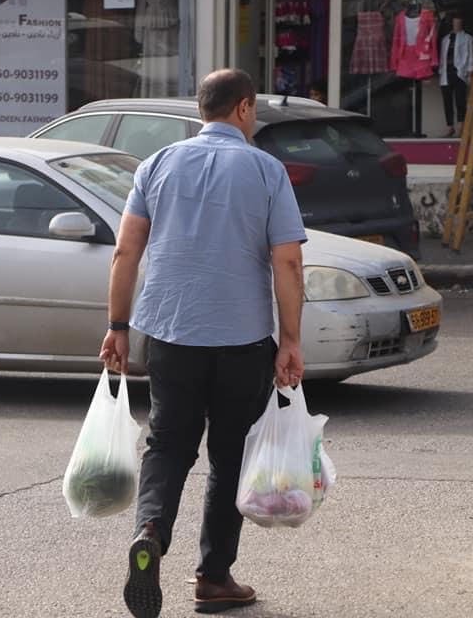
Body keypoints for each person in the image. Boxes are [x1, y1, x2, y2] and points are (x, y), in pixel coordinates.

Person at [99, 69, 307, 617]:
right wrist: (290, 340)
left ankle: (150, 531)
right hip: (241, 339)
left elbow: (125, 253)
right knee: (229, 455)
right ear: (243, 107)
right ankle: (214, 578)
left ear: (201, 110)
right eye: (253, 111)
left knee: (168, 445)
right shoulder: (266, 170)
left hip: (169, 331)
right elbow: (287, 260)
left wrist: (117, 327)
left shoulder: (157, 165)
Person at [439, 12, 473, 137]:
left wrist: (470, 71)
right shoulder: (445, 39)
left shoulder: (468, 38)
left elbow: (471, 55)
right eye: (455, 23)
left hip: (459, 72)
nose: (456, 25)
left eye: (458, 23)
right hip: (446, 72)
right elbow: (442, 56)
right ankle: (450, 126)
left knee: (460, 100)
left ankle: (461, 126)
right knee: (447, 100)